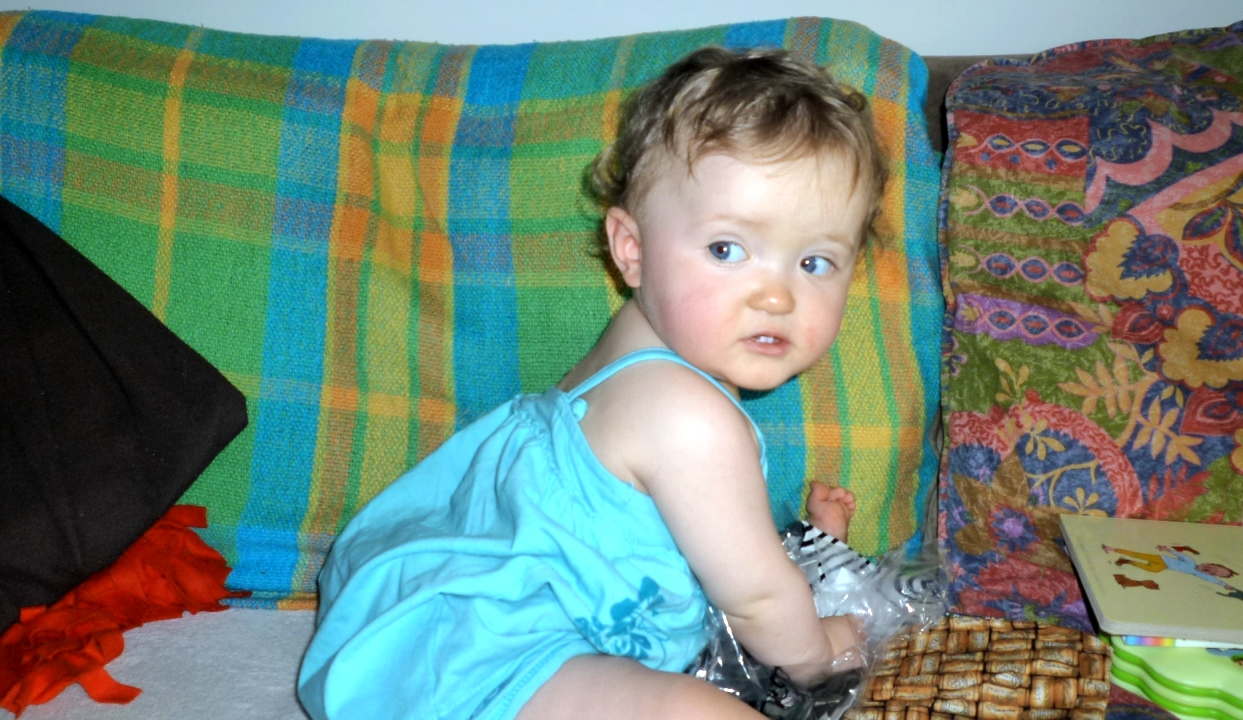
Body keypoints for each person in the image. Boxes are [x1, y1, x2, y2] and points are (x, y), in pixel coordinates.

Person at [297, 45, 886, 720]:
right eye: (727, 250)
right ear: (632, 250)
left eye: (815, 262)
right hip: (489, 655)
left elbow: (697, 546)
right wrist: (822, 653)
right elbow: (757, 600)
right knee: (690, 711)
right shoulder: (688, 418)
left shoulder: (640, 340)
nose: (776, 297)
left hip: (461, 615)